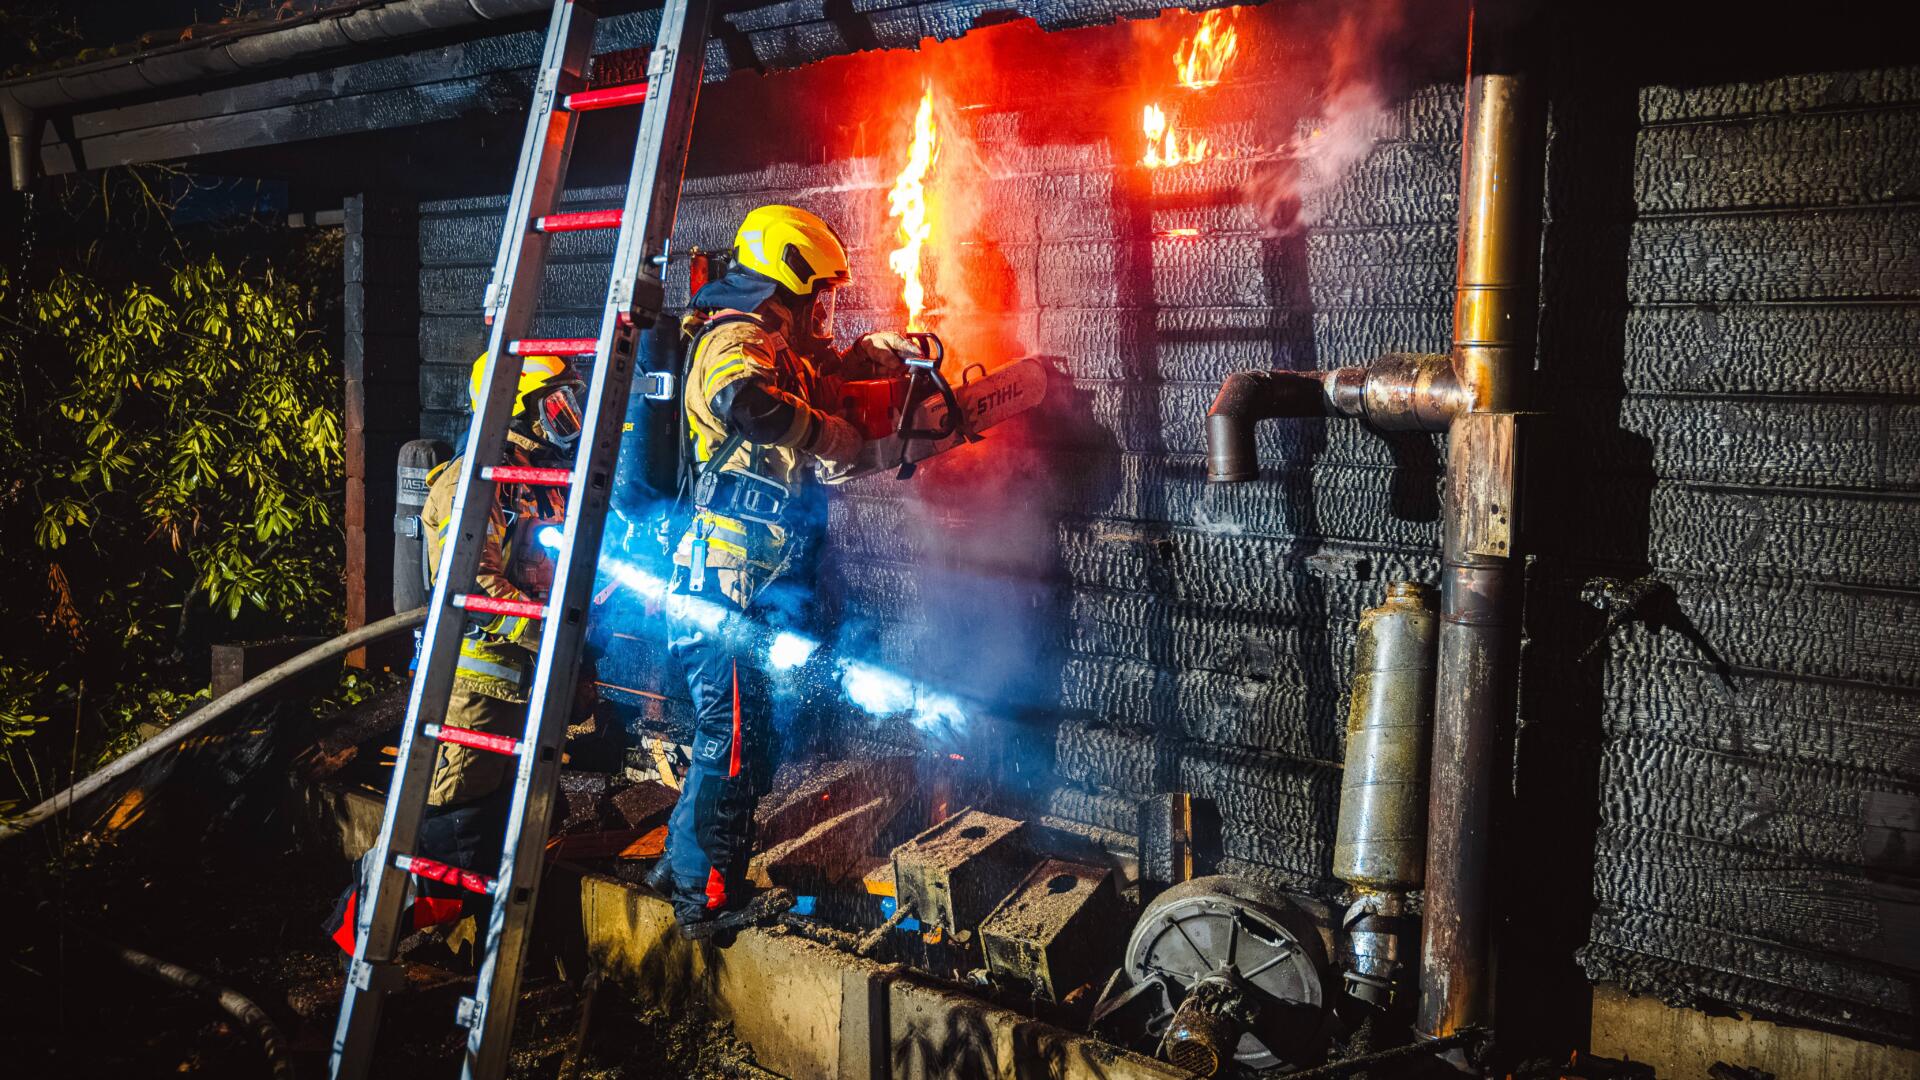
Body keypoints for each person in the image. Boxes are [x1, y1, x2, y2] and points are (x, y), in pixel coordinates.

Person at [656, 204, 914, 937]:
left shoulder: (775, 342)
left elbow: (816, 379)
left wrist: (871, 355)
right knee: (729, 744)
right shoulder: (735, 337)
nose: (823, 311)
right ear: (787, 280)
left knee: (747, 742)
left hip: (747, 590)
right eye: (818, 296)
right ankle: (703, 903)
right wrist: (825, 433)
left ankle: (683, 864)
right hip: (718, 589)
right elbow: (749, 403)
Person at [326, 352, 586, 957]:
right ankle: (352, 950)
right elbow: (471, 587)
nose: (567, 420)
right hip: (470, 699)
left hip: (521, 691)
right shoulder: (472, 481)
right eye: (557, 404)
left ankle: (473, 965)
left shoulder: (538, 483)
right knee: (448, 839)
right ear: (517, 407)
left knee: (497, 836)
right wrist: (550, 634)